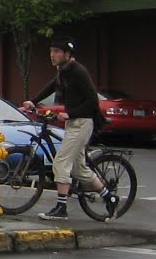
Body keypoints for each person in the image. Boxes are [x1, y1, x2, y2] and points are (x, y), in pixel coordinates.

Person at [24, 36, 118, 221]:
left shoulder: (78, 71)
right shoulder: (63, 71)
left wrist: (70, 113)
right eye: (51, 51)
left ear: (67, 54)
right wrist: (32, 102)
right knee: (79, 170)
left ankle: (61, 208)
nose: (52, 55)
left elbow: (92, 101)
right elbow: (51, 87)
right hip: (74, 123)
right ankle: (110, 196)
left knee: (61, 163)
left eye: (57, 52)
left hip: (82, 123)